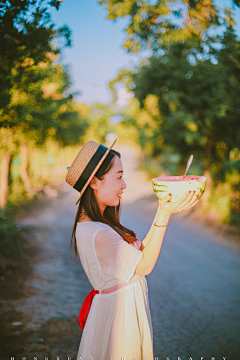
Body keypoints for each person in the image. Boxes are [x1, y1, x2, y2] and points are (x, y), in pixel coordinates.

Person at [65, 138, 199, 360]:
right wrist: (164, 213)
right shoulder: (97, 232)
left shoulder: (95, 225)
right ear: (95, 183)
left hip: (117, 314)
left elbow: (137, 258)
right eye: (118, 177)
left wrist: (163, 210)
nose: (124, 184)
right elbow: (145, 265)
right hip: (120, 322)